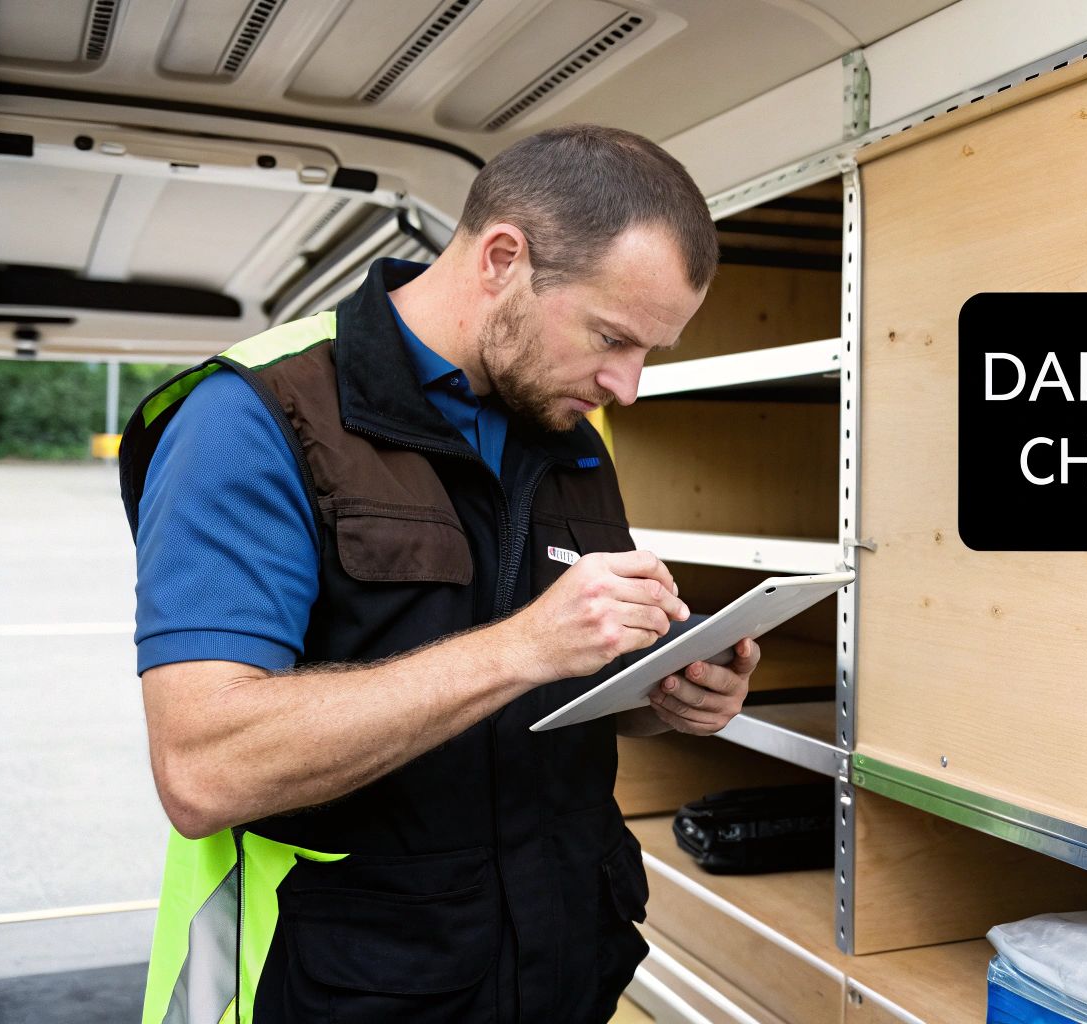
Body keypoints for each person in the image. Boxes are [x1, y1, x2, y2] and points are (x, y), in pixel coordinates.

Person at [119, 124, 755, 1023]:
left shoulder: (569, 439)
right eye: (612, 336)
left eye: (651, 351)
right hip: (329, 990)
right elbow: (204, 769)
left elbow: (533, 710)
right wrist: (526, 645)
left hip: (562, 979)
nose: (629, 386)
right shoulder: (252, 418)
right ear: (502, 258)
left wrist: (661, 697)